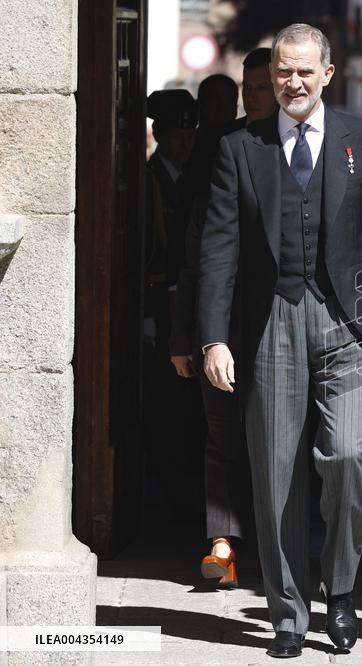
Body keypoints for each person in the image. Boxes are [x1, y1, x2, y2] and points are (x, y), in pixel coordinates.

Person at [198, 24, 362, 658]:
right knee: (277, 472)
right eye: (281, 73)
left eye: (302, 72)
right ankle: (288, 611)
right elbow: (219, 249)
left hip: (345, 321)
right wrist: (214, 336)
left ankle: (339, 589)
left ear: (327, 74)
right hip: (271, 325)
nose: (291, 83)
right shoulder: (241, 147)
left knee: (348, 456)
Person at [168, 47, 279, 589]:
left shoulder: (302, 147)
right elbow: (194, 246)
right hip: (221, 311)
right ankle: (223, 542)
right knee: (221, 430)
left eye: (263, 84)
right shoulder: (219, 145)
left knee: (280, 435)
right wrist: (185, 329)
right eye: (249, 84)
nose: (254, 93)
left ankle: (276, 545)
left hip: (280, 317)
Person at [143, 88, 200, 517]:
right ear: (158, 133)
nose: (185, 142)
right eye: (177, 134)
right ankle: (167, 490)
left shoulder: (197, 176)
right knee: (163, 400)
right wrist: (145, 312)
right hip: (158, 301)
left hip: (192, 299)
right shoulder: (148, 182)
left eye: (190, 133)